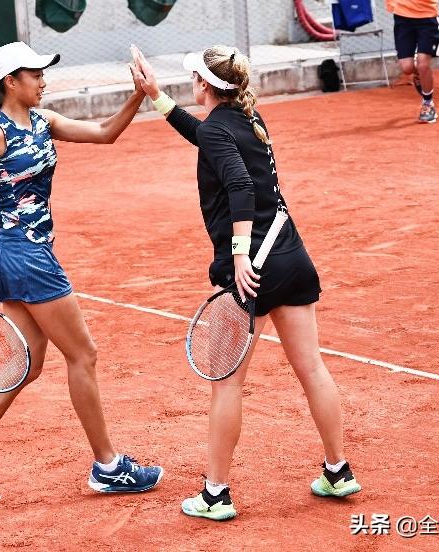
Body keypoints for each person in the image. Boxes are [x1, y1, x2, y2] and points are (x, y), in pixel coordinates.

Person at [129, 45, 361, 521]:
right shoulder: (248, 120)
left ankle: (215, 494)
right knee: (312, 368)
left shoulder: (219, 129)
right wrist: (156, 96)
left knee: (227, 385)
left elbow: (239, 185)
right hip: (291, 257)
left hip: (251, 271)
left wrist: (238, 254)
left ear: (203, 84)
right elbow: (204, 136)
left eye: (193, 78)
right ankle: (338, 471)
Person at [0, 41, 163, 505]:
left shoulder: (44, 122)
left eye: (43, 73)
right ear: (10, 82)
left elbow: (104, 132)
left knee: (28, 364)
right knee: (83, 355)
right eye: (35, 74)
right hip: (25, 256)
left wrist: (138, 95)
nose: (43, 80)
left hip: (19, 256)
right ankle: (108, 466)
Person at [386, 0, 439, 123]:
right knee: (407, 68)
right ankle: (419, 74)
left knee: (423, 64)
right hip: (402, 19)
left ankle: (428, 104)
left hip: (427, 18)